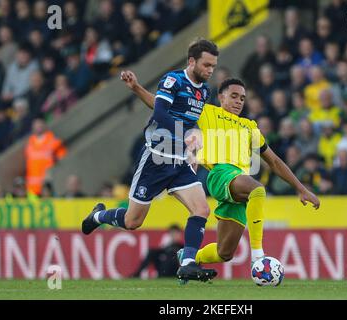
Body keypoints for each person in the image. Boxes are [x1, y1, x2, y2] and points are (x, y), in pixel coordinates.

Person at [121, 71, 320, 270]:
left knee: (224, 253)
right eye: (233, 96)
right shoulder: (207, 112)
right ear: (221, 97)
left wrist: (301, 188)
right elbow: (163, 106)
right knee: (258, 190)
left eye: (242, 98)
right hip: (220, 174)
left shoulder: (249, 127)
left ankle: (190, 257)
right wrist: (137, 88)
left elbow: (275, 161)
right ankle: (258, 257)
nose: (239, 101)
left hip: (238, 184)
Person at [82, 39, 219, 282]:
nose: (210, 70)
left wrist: (194, 143)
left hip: (180, 163)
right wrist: (183, 135)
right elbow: (160, 111)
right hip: (156, 159)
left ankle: (187, 262)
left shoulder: (204, 91)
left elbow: (189, 121)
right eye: (207, 65)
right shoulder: (173, 80)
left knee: (202, 208)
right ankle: (98, 216)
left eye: (213, 66)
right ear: (191, 61)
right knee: (132, 221)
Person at [24, 117, 67, 195]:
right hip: (32, 187)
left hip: (47, 185)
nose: (37, 127)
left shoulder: (53, 140)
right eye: (35, 125)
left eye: (40, 125)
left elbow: (62, 157)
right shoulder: (30, 141)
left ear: (45, 125)